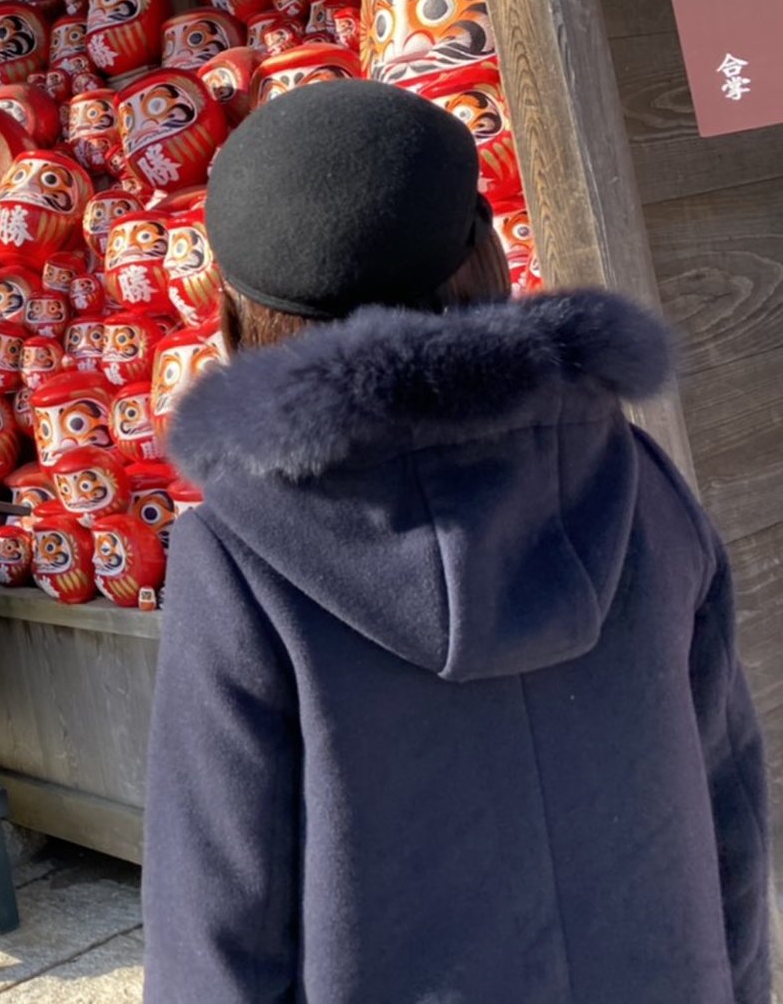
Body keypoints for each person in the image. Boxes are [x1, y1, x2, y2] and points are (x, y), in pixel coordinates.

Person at [142, 81, 768, 1004]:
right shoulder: (640, 483)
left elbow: (217, 930)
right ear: (484, 256)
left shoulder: (239, 562)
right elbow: (732, 817)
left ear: (240, 310)